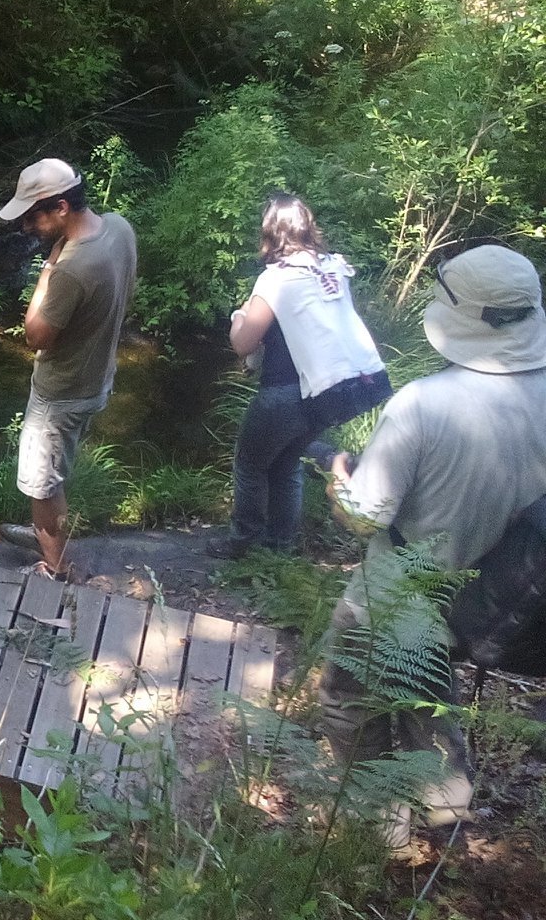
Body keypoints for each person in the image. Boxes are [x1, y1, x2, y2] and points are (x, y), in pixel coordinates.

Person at [322, 241, 546, 847]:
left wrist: (338, 481)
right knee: (429, 708)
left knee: (350, 704)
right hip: (487, 601)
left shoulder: (424, 405)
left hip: (394, 599)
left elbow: (367, 517)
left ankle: (379, 831)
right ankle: (447, 826)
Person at [209, 195, 390, 559]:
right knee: (287, 464)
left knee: (250, 464)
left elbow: (244, 345)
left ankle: (242, 543)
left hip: (285, 390)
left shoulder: (277, 279)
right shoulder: (332, 269)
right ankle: (279, 548)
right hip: (332, 390)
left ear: (270, 232)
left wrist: (238, 317)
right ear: (308, 227)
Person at [0, 158, 137, 582]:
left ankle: (57, 569)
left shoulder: (72, 268)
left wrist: (48, 271)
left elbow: (35, 335)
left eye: (31, 216)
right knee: (56, 468)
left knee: (42, 483)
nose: (24, 228)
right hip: (97, 375)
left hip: (62, 392)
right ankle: (48, 535)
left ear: (60, 207)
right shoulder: (118, 227)